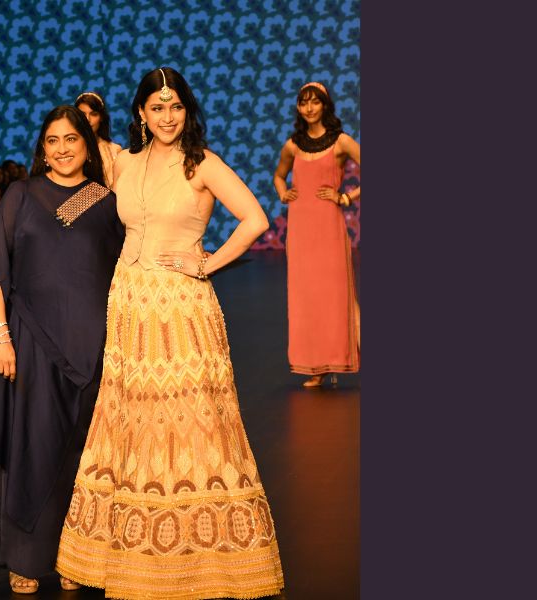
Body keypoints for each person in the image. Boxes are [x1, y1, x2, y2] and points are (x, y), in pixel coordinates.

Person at [55, 67, 284, 600]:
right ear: (140, 112)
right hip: (129, 303)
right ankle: (114, 556)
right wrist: (35, 214)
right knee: (128, 419)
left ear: (187, 110)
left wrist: (207, 263)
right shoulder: (123, 163)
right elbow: (72, 205)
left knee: (193, 420)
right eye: (156, 107)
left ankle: (205, 562)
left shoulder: (201, 163)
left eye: (175, 106)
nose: (166, 116)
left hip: (181, 307)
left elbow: (255, 219)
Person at [0, 105, 124, 595]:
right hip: (30, 342)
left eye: (71, 138)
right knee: (31, 448)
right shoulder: (22, 194)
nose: (62, 148)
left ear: (87, 145)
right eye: (53, 140)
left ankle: (75, 557)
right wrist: (1, 335)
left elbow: (124, 271)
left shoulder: (104, 201)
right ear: (42, 149)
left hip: (93, 348)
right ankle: (27, 560)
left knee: (82, 454)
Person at [272, 81, 361, 388]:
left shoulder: (341, 142)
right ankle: (317, 367)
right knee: (307, 297)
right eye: (303, 103)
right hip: (300, 230)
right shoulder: (293, 145)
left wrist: (345, 197)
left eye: (315, 102)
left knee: (336, 295)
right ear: (298, 107)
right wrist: (283, 192)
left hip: (329, 228)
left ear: (325, 105)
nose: (309, 108)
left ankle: (337, 358)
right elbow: (279, 175)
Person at [75, 91, 123, 188]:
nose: (87, 119)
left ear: (101, 117)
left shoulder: (114, 150)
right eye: (82, 114)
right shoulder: (68, 149)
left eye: (93, 114)